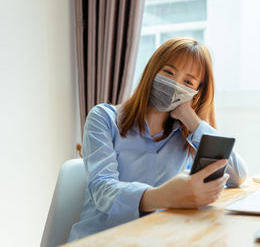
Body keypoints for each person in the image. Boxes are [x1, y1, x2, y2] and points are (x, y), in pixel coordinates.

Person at [68, 37, 248, 241]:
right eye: (169, 72)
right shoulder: (104, 118)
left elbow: (237, 175)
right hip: (101, 239)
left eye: (187, 82)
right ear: (152, 70)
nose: (174, 84)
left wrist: (191, 118)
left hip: (157, 238)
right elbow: (102, 188)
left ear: (196, 93)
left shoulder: (188, 135)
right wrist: (162, 196)